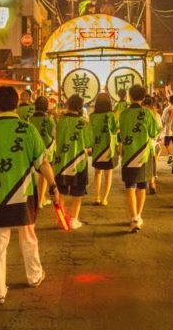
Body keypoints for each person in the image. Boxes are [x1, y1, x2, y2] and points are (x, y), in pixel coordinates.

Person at [0, 86, 60, 305]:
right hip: (24, 192)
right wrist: (53, 186)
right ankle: (34, 276)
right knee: (28, 235)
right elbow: (42, 162)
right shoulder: (28, 130)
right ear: (17, 104)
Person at [118, 84, 161, 233]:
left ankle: (133, 218)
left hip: (129, 154)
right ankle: (139, 216)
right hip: (144, 154)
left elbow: (121, 134)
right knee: (142, 186)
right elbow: (154, 132)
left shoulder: (123, 114)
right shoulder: (148, 114)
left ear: (130, 96)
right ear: (143, 98)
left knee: (130, 186)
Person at [53, 94, 94, 229]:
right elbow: (89, 144)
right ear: (80, 107)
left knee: (61, 192)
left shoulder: (60, 121)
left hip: (61, 162)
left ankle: (61, 220)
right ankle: (73, 220)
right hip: (79, 163)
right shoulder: (84, 123)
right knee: (78, 192)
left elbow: (53, 137)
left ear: (68, 104)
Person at [89, 92, 119, 206]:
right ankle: (104, 198)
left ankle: (96, 197)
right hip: (108, 148)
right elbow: (115, 129)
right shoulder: (111, 115)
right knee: (108, 174)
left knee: (97, 173)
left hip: (97, 148)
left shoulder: (92, 116)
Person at [28, 96, 57, 209]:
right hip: (46, 148)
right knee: (44, 175)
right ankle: (41, 200)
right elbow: (54, 133)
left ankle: (38, 198)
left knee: (34, 174)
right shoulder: (48, 119)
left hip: (33, 147)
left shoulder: (30, 119)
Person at [160, 94, 173, 161]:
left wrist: (162, 128)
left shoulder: (166, 109)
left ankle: (170, 155)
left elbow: (163, 120)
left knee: (166, 144)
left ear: (169, 101)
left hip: (168, 129)